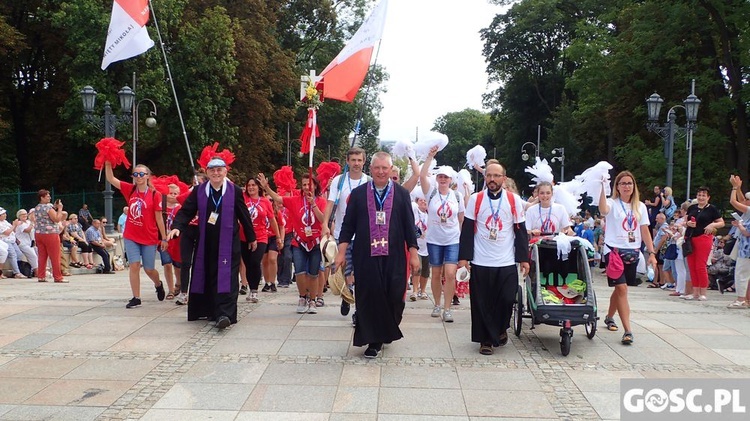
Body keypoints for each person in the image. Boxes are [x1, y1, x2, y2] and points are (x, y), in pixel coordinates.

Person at [334, 151, 419, 358]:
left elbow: (409, 227)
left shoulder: (401, 194)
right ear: (370, 170)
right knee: (369, 296)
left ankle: (388, 327)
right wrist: (341, 252)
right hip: (366, 255)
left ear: (391, 170)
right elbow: (348, 226)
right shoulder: (359, 194)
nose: (381, 172)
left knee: (394, 297)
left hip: (395, 256)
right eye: (377, 168)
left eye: (385, 168)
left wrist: (414, 253)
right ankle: (373, 340)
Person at [169, 157, 256, 328]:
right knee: (207, 275)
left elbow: (244, 215)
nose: (216, 173)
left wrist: (252, 237)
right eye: (212, 170)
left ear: (225, 171)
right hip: (205, 243)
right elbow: (186, 211)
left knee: (228, 278)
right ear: (207, 172)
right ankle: (208, 310)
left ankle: (224, 314)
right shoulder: (199, 191)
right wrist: (177, 226)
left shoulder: (235, 191)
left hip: (229, 244)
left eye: (219, 170)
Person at [458, 162, 529, 355]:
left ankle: (500, 328)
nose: (492, 179)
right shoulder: (476, 199)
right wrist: (464, 258)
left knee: (507, 299)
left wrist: (524, 259)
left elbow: (521, 231)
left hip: (505, 261)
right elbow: (467, 229)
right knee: (482, 302)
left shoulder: (513, 200)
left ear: (503, 179)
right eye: (489, 176)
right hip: (481, 260)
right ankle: (486, 340)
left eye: (496, 176)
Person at [599, 171, 658, 345]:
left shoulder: (639, 206)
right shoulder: (612, 203)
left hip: (632, 252)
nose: (626, 186)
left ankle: (609, 316)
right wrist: (602, 187)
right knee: (622, 289)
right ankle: (628, 331)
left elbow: (644, 230)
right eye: (623, 183)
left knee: (620, 289)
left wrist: (652, 253)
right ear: (617, 186)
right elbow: (603, 210)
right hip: (614, 252)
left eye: (629, 183)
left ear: (634, 187)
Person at [260, 171, 327, 314]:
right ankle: (302, 297)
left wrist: (313, 205)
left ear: (315, 185)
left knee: (314, 274)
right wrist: (266, 188)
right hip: (299, 242)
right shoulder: (295, 200)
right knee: (300, 272)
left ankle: (313, 300)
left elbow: (323, 220)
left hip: (315, 242)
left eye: (309, 184)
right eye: (304, 185)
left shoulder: (321, 201)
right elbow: (278, 198)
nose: (307, 188)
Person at [105, 162, 169, 308]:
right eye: (135, 174)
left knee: (149, 269)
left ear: (147, 176)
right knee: (134, 265)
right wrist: (108, 162)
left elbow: (159, 218)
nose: (138, 177)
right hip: (131, 235)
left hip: (149, 236)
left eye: (141, 174)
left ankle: (158, 284)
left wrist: (164, 238)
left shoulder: (155, 194)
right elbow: (111, 178)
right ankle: (136, 297)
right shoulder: (130, 189)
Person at [322, 147, 369, 317]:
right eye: (353, 160)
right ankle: (347, 293)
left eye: (359, 160)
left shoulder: (369, 181)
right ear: (347, 162)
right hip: (344, 234)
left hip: (364, 235)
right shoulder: (339, 181)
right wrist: (325, 224)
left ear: (364, 161)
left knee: (361, 272)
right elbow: (330, 203)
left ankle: (359, 310)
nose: (356, 163)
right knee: (347, 270)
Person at [420, 146, 465, 323]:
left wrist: (463, 241)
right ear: (437, 179)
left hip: (452, 239)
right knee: (436, 273)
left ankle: (448, 308)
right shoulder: (431, 193)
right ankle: (437, 304)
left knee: (451, 273)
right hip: (434, 239)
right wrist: (430, 157)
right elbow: (423, 176)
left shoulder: (457, 196)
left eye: (446, 177)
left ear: (451, 179)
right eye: (440, 176)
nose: (443, 179)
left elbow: (461, 218)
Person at [683, 187, 724, 301]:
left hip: (704, 237)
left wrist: (712, 225)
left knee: (700, 266)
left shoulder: (712, 209)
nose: (701, 197)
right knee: (692, 266)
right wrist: (688, 223)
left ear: (708, 197)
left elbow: (721, 222)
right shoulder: (692, 207)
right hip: (690, 237)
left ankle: (703, 292)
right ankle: (695, 292)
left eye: (703, 195)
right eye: (699, 195)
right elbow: (684, 221)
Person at [239, 177, 273, 303]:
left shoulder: (265, 202)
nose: (251, 187)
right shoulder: (243, 199)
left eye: (253, 185)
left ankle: (254, 290)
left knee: (254, 262)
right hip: (244, 237)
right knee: (248, 265)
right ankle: (250, 289)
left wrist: (279, 238)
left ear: (259, 187)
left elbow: (272, 219)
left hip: (261, 237)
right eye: (249, 185)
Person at [33, 190, 67, 283]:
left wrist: (54, 207)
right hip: (50, 233)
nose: (49, 197)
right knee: (55, 256)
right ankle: (58, 277)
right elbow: (56, 219)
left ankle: (41, 276)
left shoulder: (37, 207)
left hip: (39, 233)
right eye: (47, 196)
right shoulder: (48, 208)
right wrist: (59, 209)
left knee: (42, 256)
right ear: (42, 197)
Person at [728, 175, 750, 308]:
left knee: (741, 273)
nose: (745, 201)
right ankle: (746, 299)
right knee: (747, 275)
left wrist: (735, 188)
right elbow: (741, 200)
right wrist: (739, 188)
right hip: (745, 248)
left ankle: (741, 299)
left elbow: (734, 202)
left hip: (747, 249)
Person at [410, 193, 430, 301]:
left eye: (425, 201)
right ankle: (414, 291)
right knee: (417, 268)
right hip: (416, 245)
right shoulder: (414, 211)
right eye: (421, 200)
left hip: (427, 246)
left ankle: (423, 291)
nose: (423, 202)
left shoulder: (429, 214)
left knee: (425, 271)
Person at [0, 207, 27, 278]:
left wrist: (15, 226)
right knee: (13, 255)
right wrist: (14, 225)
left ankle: (16, 270)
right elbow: (7, 232)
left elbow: (12, 231)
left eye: (5, 213)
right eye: (3, 214)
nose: (5, 215)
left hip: (12, 240)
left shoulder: (5, 222)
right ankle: (17, 273)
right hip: (5, 241)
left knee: (19, 254)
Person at [14, 209, 38, 276]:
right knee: (33, 256)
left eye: (25, 214)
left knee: (36, 255)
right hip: (22, 244)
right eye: (22, 214)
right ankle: (37, 271)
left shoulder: (27, 222)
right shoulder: (20, 223)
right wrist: (32, 223)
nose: (25, 215)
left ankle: (38, 270)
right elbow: (27, 230)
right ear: (19, 216)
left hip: (29, 243)